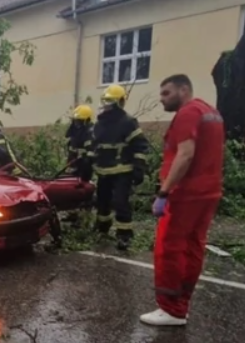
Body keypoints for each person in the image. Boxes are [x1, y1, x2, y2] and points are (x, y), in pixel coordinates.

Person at [140, 74, 224, 326]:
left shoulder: (188, 113)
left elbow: (185, 155)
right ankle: (181, 302)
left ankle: (171, 309)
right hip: (208, 191)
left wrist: (164, 192)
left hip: (185, 194)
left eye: (166, 93)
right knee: (193, 246)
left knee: (169, 247)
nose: (162, 98)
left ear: (183, 89)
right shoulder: (211, 112)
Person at [88, 84, 149, 250]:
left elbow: (140, 145)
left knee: (121, 202)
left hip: (123, 170)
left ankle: (124, 236)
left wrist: (138, 168)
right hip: (103, 170)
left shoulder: (127, 122)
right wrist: (88, 159)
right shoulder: (100, 123)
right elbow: (95, 145)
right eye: (106, 102)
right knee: (102, 201)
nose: (107, 106)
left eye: (110, 102)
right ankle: (102, 229)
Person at [62, 104, 95, 227]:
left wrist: (85, 167)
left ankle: (83, 219)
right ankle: (73, 214)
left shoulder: (89, 132)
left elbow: (90, 152)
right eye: (75, 120)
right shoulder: (75, 131)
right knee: (72, 191)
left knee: (84, 193)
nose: (77, 123)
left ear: (86, 120)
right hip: (74, 166)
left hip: (84, 167)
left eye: (79, 120)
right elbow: (72, 149)